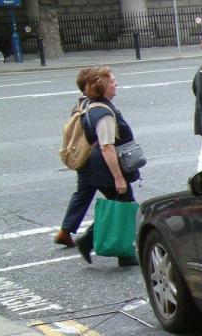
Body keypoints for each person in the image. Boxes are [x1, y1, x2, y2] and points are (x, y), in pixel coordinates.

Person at [71, 67, 139, 267]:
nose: (115, 84)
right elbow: (107, 147)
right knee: (124, 204)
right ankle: (120, 253)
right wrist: (118, 178)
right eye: (112, 81)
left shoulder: (90, 104)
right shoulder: (104, 114)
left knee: (119, 203)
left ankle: (96, 243)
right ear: (102, 87)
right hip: (105, 168)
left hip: (95, 166)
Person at [55, 67, 94, 248]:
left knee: (83, 193)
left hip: (81, 156)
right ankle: (90, 238)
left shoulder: (79, 104)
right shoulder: (92, 106)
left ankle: (65, 231)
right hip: (93, 158)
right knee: (120, 199)